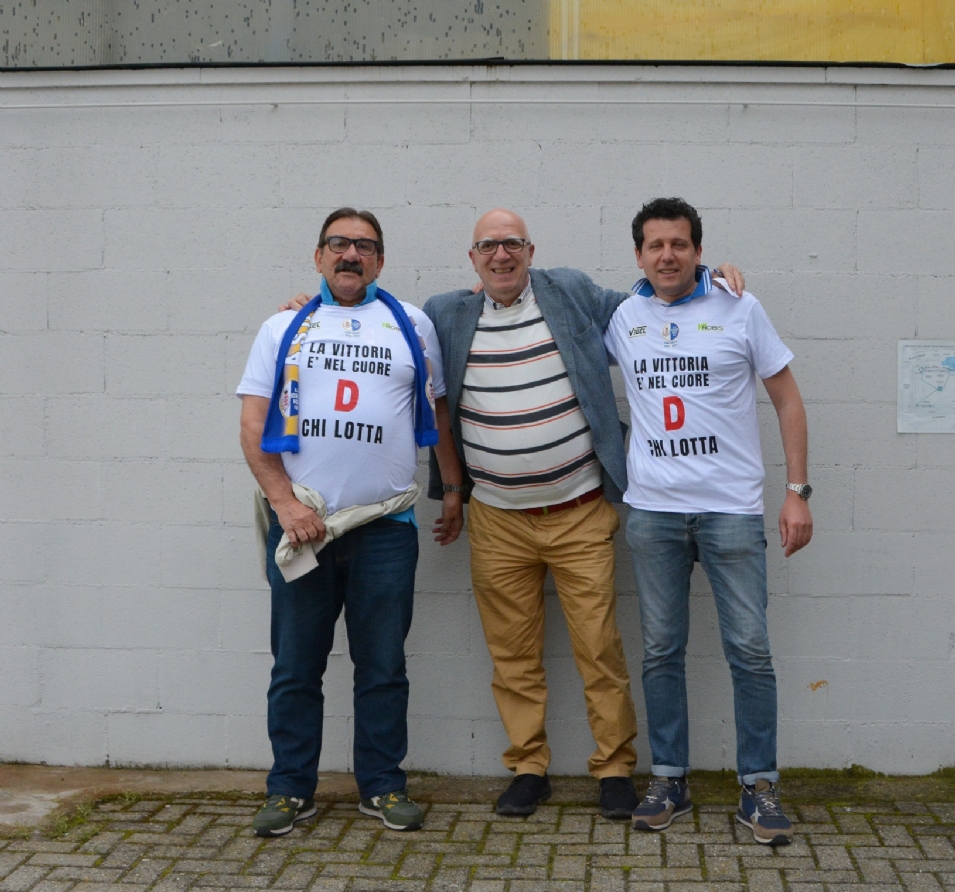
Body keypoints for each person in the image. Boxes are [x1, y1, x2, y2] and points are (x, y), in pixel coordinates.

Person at [422, 208, 745, 819]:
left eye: (512, 243)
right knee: (512, 653)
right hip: (497, 518)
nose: (500, 255)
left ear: (530, 249)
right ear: (472, 258)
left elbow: (649, 304)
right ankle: (528, 766)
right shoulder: (447, 313)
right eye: (488, 246)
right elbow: (385, 334)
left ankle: (615, 768)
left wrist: (710, 278)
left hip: (579, 511)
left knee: (598, 646)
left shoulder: (568, 290)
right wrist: (307, 311)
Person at [237, 208, 464, 837]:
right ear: (318, 257)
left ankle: (383, 787)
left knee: (384, 664)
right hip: (302, 526)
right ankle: (290, 791)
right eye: (338, 244)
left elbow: (437, 412)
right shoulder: (283, 326)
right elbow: (253, 428)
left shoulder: (410, 323)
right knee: (295, 667)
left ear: (380, 261)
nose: (350, 255)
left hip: (386, 528)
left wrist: (452, 488)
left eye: (364, 246)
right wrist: (286, 505)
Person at [603, 197, 813, 846]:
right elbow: (536, 312)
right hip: (654, 513)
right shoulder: (622, 317)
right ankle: (670, 779)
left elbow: (788, 401)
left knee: (749, 651)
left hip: (731, 511)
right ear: (638, 255)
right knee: (661, 650)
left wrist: (798, 491)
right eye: (655, 245)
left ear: (698, 250)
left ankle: (759, 787)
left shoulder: (739, 308)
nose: (668, 255)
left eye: (680, 244)